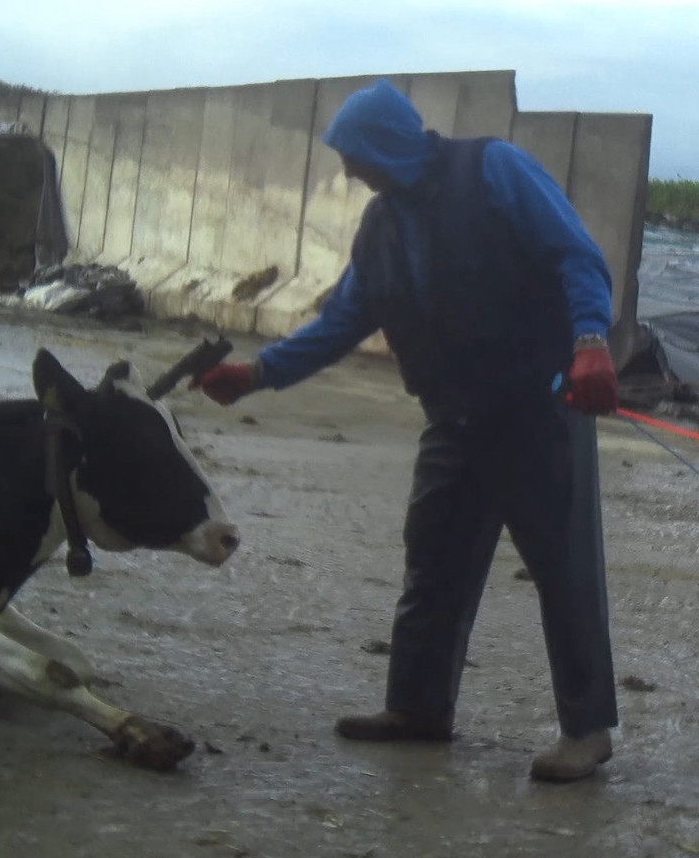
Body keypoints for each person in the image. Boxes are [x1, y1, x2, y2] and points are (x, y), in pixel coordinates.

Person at [199, 79, 620, 782]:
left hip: (538, 410)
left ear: (387, 144)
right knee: (433, 567)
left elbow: (576, 254)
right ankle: (419, 710)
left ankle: (587, 731)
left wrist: (590, 338)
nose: (350, 172)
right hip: (453, 421)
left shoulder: (494, 169)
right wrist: (259, 373)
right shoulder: (381, 228)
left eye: (355, 156)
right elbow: (342, 322)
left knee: (563, 571)